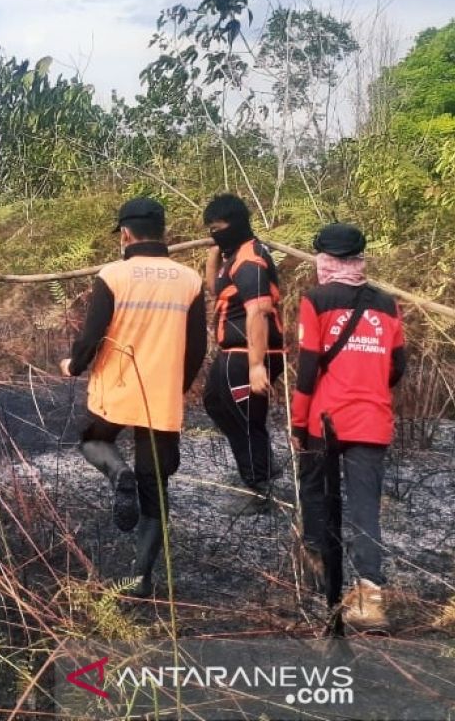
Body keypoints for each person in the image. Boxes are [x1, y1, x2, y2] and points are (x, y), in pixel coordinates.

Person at [60, 197, 207, 599]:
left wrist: (74, 365)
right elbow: (197, 347)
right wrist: (179, 387)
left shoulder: (113, 274)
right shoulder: (190, 279)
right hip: (162, 396)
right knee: (155, 485)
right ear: (163, 231)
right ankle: (141, 578)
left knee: (93, 438)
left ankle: (117, 474)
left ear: (125, 233)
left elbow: (92, 334)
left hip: (117, 388)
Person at [291, 223, 406, 633]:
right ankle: (371, 600)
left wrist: (298, 421)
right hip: (372, 420)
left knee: (316, 493)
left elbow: (307, 369)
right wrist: (369, 384)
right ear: (360, 257)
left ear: (323, 259)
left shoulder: (316, 300)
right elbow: (397, 366)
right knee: (364, 510)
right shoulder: (388, 305)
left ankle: (324, 576)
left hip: (326, 419)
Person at [201, 194, 286, 515]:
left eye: (218, 228)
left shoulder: (250, 260)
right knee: (215, 403)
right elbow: (217, 291)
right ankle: (259, 462)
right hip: (233, 353)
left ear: (236, 223)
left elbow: (259, 312)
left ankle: (260, 490)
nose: (214, 233)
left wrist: (255, 366)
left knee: (247, 419)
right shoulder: (232, 256)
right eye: (210, 229)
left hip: (250, 353)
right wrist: (213, 255)